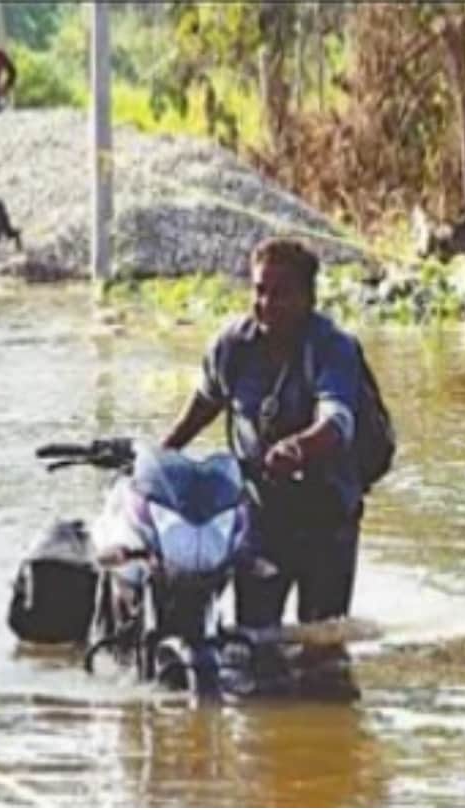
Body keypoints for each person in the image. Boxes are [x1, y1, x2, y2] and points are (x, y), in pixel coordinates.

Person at [160, 237, 365, 630]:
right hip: (261, 514)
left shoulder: (331, 347)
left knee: (322, 639)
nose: (267, 304)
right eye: (260, 291)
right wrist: (162, 455)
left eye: (282, 294)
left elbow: (338, 420)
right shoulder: (233, 346)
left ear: (308, 298)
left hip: (327, 515)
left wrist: (299, 448)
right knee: (253, 636)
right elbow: (204, 405)